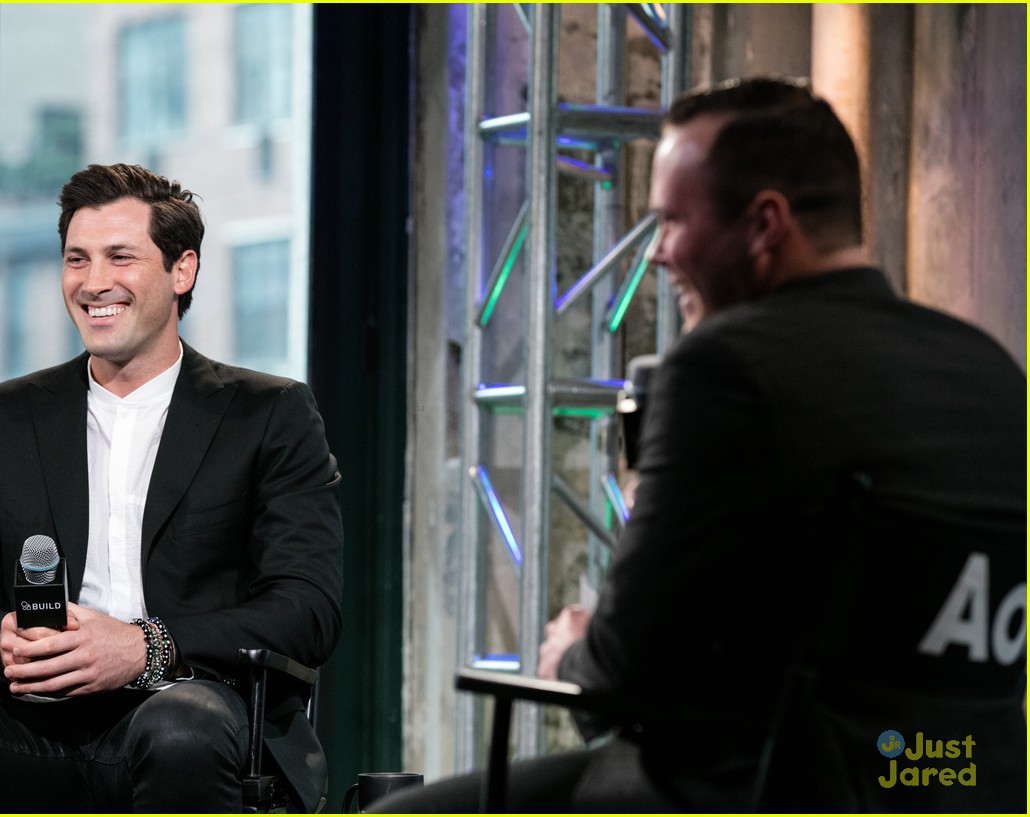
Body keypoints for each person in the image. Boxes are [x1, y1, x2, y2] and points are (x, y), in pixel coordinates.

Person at [375, 76, 1026, 812]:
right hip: (966, 783)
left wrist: (569, 650)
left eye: (672, 221)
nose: (656, 253)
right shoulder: (995, 373)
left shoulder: (725, 365)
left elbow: (617, 680)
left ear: (765, 224)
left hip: (772, 786)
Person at [0, 163, 343, 812]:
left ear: (181, 270)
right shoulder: (3, 416)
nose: (94, 282)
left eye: (119, 257)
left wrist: (145, 647)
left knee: (180, 727)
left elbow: (306, 609)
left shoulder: (269, 415)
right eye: (77, 259)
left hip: (187, 711)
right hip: (28, 725)